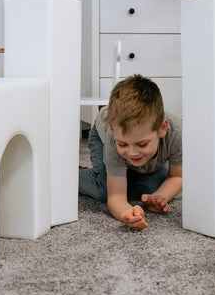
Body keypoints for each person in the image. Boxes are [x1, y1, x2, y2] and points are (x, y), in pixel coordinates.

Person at [78, 74, 182, 231]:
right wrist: (126, 212)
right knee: (103, 190)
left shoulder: (176, 133)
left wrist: (159, 197)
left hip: (138, 143)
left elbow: (177, 176)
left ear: (162, 128)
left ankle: (128, 176)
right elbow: (116, 197)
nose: (132, 152)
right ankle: (66, 174)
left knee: (152, 187)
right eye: (123, 144)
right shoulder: (113, 137)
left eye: (142, 144)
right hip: (101, 138)